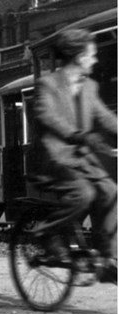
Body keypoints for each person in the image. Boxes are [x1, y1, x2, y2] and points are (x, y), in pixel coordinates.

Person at [32, 28, 117, 283]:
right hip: (52, 159)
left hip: (80, 159)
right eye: (92, 55)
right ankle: (46, 236)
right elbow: (48, 116)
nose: (96, 60)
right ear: (79, 56)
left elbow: (104, 117)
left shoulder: (89, 86)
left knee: (111, 191)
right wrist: (77, 135)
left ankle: (107, 258)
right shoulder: (47, 84)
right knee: (85, 194)